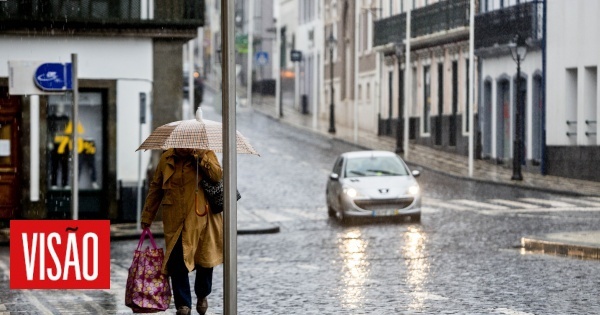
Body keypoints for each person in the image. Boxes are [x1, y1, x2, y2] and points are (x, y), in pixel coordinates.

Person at [141, 148, 223, 315]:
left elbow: (217, 175)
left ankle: (202, 294)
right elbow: (156, 187)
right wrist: (147, 216)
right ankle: (183, 305)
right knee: (177, 261)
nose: (184, 147)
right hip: (175, 220)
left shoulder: (206, 154)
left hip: (202, 219)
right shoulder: (166, 158)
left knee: (204, 261)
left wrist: (201, 158)